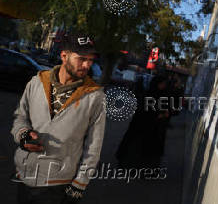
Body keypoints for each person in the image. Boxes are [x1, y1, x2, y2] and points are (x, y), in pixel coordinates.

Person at [11, 34, 106, 204]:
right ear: (64, 56)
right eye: (82, 59)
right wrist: (23, 134)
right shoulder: (37, 82)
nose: (87, 65)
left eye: (91, 60)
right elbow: (21, 116)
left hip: (57, 182)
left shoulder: (95, 96)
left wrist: (80, 183)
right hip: (24, 174)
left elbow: (94, 145)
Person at [116, 75, 170, 168]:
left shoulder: (160, 94)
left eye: (164, 84)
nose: (163, 86)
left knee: (146, 150)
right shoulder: (149, 95)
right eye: (162, 84)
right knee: (136, 148)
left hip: (152, 129)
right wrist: (159, 115)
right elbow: (145, 112)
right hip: (141, 128)